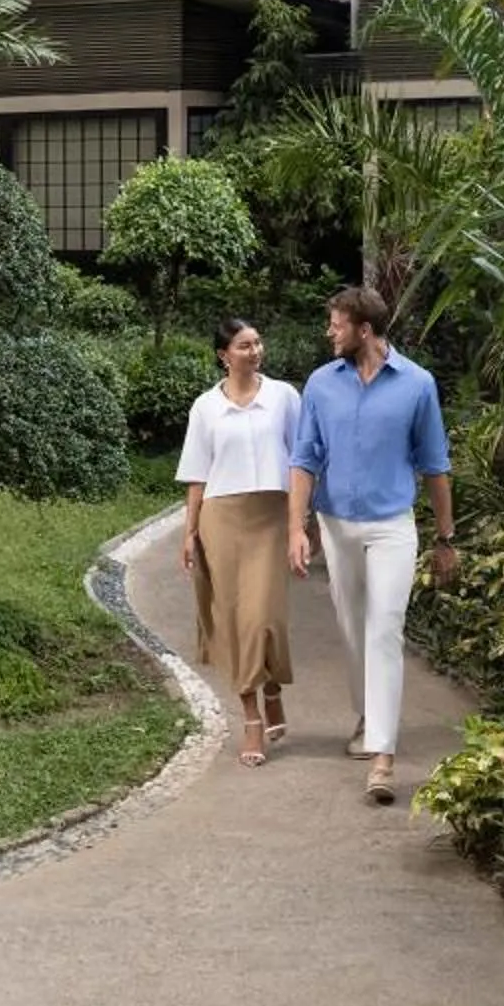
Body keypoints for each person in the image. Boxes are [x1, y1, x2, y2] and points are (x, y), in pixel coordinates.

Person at [288, 286, 453, 805]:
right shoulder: (320, 384)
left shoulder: (417, 385)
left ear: (364, 329)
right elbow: (304, 458)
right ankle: (367, 713)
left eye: (336, 324)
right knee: (353, 629)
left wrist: (447, 538)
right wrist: (297, 526)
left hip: (391, 527)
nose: (329, 332)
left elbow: (435, 464)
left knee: (384, 629)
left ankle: (382, 757)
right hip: (337, 525)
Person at [177, 318, 301, 768]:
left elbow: (302, 461)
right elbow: (197, 474)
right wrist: (190, 532)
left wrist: (302, 523)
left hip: (270, 515)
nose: (255, 351)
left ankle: (272, 687)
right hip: (221, 519)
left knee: (263, 616)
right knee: (231, 618)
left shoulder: (285, 397)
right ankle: (252, 716)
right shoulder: (205, 407)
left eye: (257, 343)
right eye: (245, 345)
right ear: (223, 354)